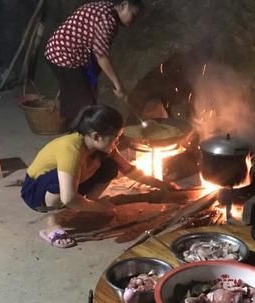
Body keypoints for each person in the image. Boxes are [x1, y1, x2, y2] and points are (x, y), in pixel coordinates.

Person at [21, 104, 177, 248]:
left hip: (69, 185)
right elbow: (68, 197)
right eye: (115, 137)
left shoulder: (100, 147)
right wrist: (100, 208)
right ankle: (52, 223)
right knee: (59, 183)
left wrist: (161, 184)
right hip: (36, 192)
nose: (117, 141)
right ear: (96, 136)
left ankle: (81, 206)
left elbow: (129, 170)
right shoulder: (71, 149)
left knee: (109, 167)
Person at [44, 0, 143, 124]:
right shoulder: (107, 20)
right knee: (85, 105)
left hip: (63, 52)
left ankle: (74, 128)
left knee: (79, 96)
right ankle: (78, 135)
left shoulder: (106, 8)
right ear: (123, 5)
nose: (133, 21)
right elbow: (101, 55)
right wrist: (118, 84)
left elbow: (95, 50)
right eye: (133, 15)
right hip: (63, 56)